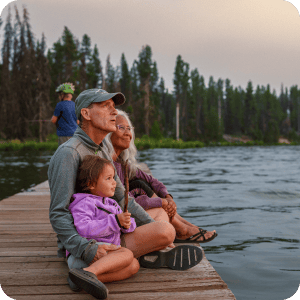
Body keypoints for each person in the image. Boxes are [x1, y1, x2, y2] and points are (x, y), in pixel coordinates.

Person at [48, 89, 202, 295]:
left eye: (114, 107)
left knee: (140, 255)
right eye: (106, 106)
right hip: (87, 241)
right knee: (166, 231)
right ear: (85, 114)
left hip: (109, 225)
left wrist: (149, 227)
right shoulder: (69, 154)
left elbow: (121, 196)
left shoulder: (101, 147)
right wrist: (86, 249)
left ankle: (89, 274)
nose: (114, 112)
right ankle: (83, 267)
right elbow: (58, 213)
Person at [104, 109, 218, 243]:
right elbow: (122, 203)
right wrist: (162, 202)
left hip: (128, 211)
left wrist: (167, 197)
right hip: (117, 220)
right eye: (121, 127)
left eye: (129, 128)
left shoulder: (122, 163)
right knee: (154, 202)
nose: (128, 132)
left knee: (141, 184)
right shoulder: (106, 166)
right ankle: (182, 230)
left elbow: (152, 181)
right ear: (108, 132)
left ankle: (187, 227)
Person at [68, 155, 139, 299]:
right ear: (91, 184)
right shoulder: (84, 203)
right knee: (127, 254)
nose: (114, 183)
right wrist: (115, 222)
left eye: (114, 178)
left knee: (134, 266)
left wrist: (127, 223)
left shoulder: (112, 204)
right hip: (86, 253)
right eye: (108, 178)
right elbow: (84, 228)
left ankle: (81, 279)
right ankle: (88, 272)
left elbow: (125, 224)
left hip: (105, 256)